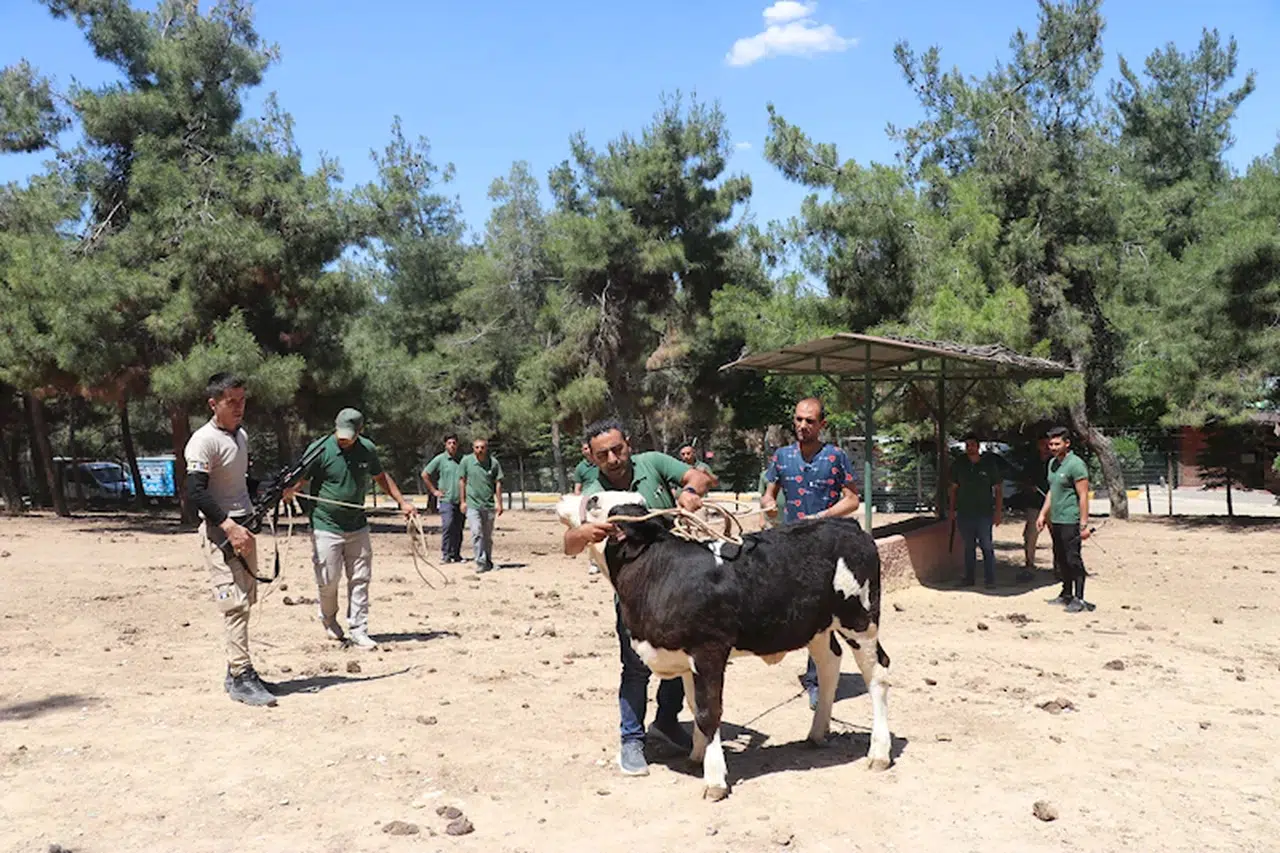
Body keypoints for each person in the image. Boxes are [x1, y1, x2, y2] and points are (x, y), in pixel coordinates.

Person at [562, 418, 714, 777]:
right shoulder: (591, 494)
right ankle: (631, 740)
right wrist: (583, 532)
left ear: (628, 443)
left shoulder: (654, 463)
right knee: (635, 667)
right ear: (591, 457)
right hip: (634, 598)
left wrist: (691, 492)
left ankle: (666, 721)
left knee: (679, 662)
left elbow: (701, 477)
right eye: (603, 455)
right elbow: (567, 546)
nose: (613, 459)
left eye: (618, 449)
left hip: (678, 588)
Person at [286, 408, 418, 650]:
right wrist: (290, 491)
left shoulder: (367, 449)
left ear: (360, 431)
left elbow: (381, 477)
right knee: (328, 579)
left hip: (357, 524)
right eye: (341, 433)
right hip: (326, 524)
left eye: (350, 434)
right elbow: (300, 480)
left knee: (360, 578)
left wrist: (402, 502)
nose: (344, 438)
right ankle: (328, 619)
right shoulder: (320, 449)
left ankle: (358, 629)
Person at [759, 397, 861, 710]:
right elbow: (768, 494)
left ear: (822, 425)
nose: (803, 426)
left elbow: (853, 500)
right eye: (799, 420)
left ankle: (819, 681)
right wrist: (768, 507)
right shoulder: (781, 457)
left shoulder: (836, 457)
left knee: (824, 614)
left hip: (828, 547)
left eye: (810, 421)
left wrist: (822, 517)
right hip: (790, 546)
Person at [184, 372, 275, 707]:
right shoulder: (202, 441)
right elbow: (195, 492)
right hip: (220, 532)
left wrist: (268, 489)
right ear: (213, 403)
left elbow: (242, 483)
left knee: (246, 600)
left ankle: (237, 669)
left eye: (242, 400)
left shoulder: (241, 437)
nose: (239, 408)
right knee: (233, 604)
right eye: (231, 402)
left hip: (245, 528)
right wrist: (228, 526)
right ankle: (241, 675)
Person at [1036, 426, 1093, 613]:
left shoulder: (1076, 464)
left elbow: (1083, 495)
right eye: (1050, 444)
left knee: (1073, 558)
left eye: (1056, 443)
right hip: (1057, 519)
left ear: (1067, 444)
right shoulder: (1052, 464)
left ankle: (1080, 598)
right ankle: (1066, 593)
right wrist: (1043, 514)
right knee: (1060, 557)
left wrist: (1083, 524)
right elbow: (1052, 491)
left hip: (1071, 518)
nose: (1052, 447)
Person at [949, 433, 1003, 588]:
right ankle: (969, 578)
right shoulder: (960, 464)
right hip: (965, 512)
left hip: (984, 513)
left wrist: (998, 511)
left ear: (978, 446)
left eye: (972, 445)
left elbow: (998, 488)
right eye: (967, 445)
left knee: (986, 545)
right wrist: (952, 510)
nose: (969, 448)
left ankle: (990, 580)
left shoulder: (988, 465)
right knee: (968, 547)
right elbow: (953, 488)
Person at [459, 437, 504, 573]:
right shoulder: (466, 461)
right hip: (473, 504)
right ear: (473, 448)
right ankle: (480, 561)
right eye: (477, 447)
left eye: (482, 447)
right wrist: (462, 501)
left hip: (488, 504)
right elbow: (462, 481)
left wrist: (500, 503)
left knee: (487, 535)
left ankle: (488, 561)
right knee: (476, 532)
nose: (480, 450)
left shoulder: (493, 463)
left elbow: (498, 483)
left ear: (486, 448)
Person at [422, 434, 465, 563]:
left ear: (457, 445)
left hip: (461, 500)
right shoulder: (440, 459)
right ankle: (445, 554)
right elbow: (425, 474)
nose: (452, 445)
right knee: (448, 525)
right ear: (445, 445)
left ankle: (456, 554)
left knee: (458, 527)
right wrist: (434, 491)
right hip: (446, 500)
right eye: (449, 443)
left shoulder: (463, 459)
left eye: (454, 443)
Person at [1018, 436, 1052, 580]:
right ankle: (1029, 564)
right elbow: (1023, 481)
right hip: (1035, 505)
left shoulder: (1056, 462)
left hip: (1053, 505)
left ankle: (1060, 567)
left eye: (1048, 444)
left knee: (1058, 536)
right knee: (1030, 536)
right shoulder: (1031, 462)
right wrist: (1028, 487)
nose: (1045, 447)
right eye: (1042, 444)